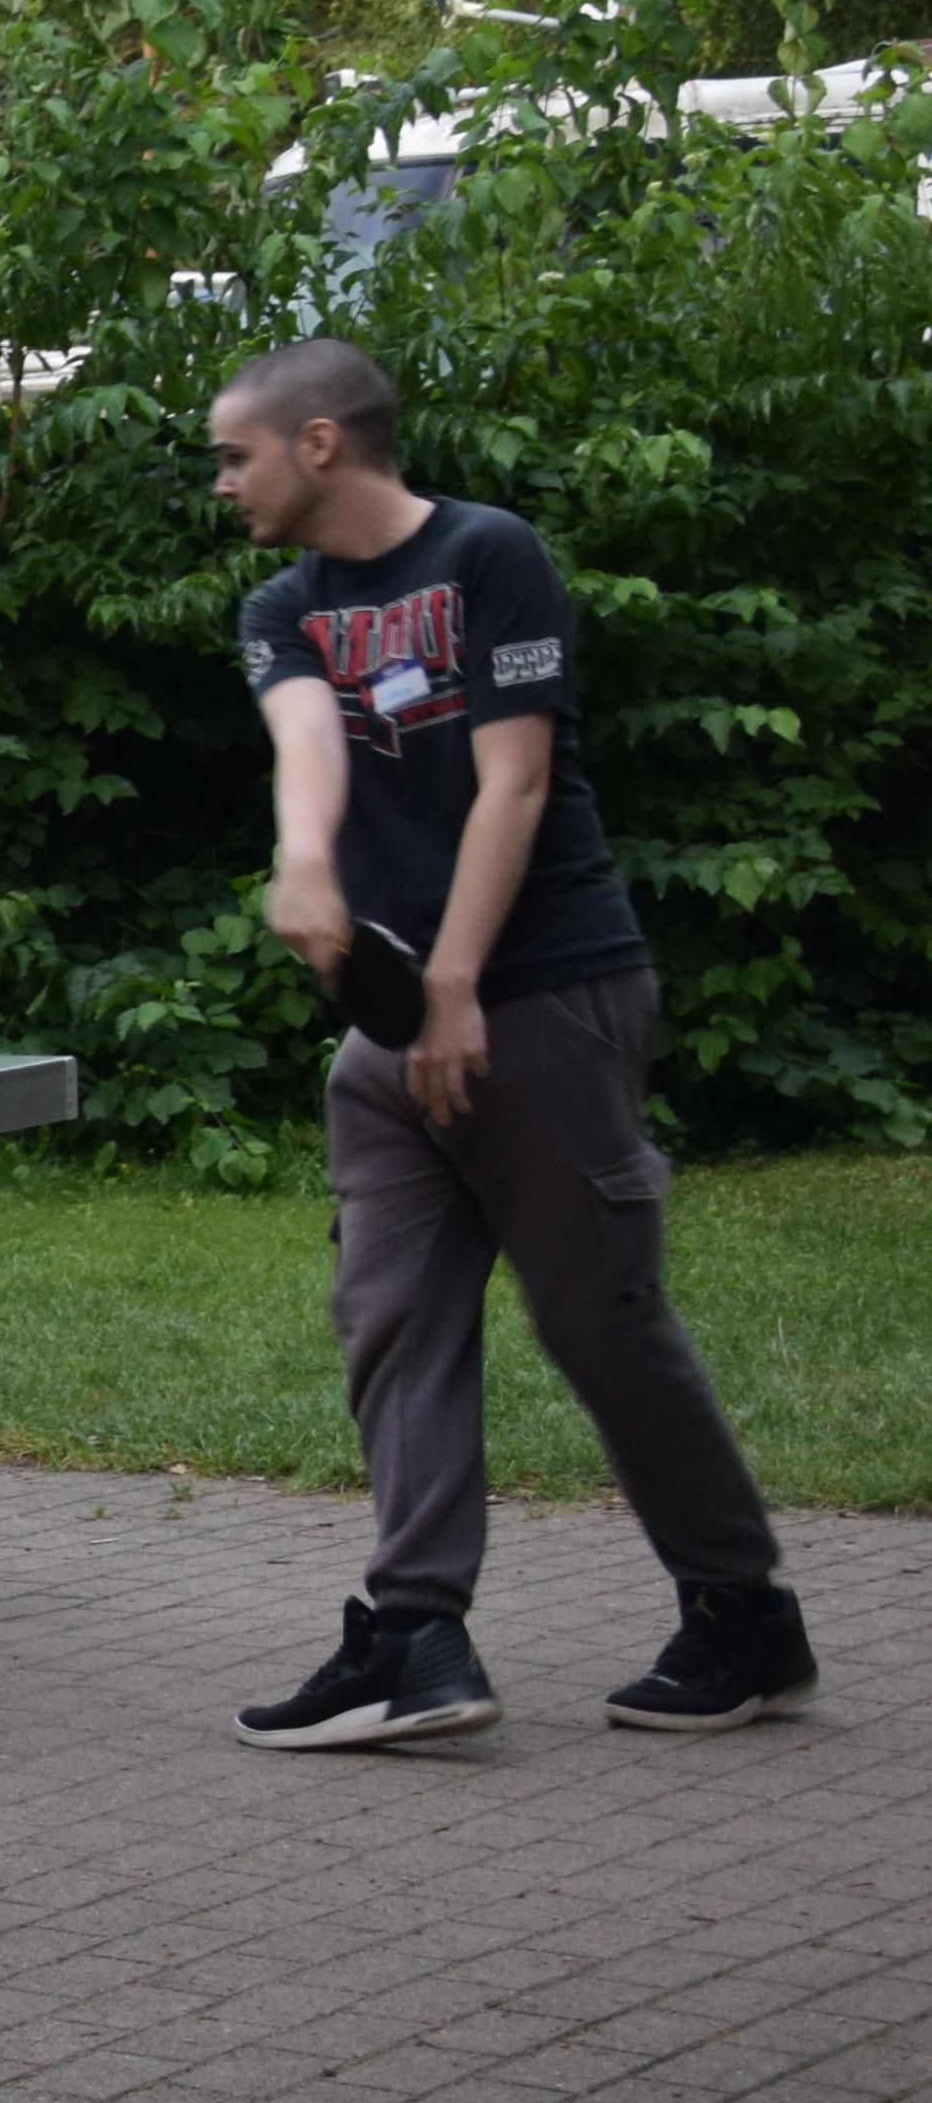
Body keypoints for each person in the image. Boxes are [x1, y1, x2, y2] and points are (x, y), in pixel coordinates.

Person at [208, 337, 812, 1749]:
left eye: (236, 456)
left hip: (544, 993)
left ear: (316, 443)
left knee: (599, 1316)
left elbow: (516, 780)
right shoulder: (283, 603)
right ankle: (418, 1636)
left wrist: (460, 985)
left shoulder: (488, 555)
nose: (224, 483)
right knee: (393, 1312)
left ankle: (742, 1614)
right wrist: (308, 863)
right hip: (394, 1026)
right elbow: (310, 748)